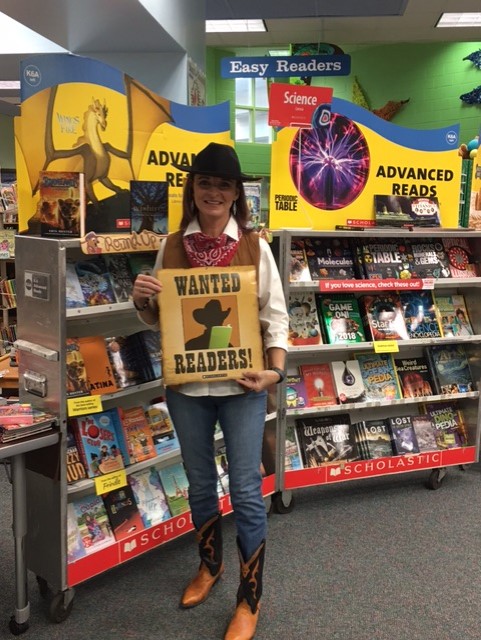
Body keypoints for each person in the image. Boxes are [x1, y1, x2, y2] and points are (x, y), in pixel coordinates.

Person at [132, 142, 289, 640]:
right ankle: (210, 565)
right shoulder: (171, 244)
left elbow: (276, 317)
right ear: (192, 189)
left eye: (224, 184)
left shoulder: (255, 246)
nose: (214, 192)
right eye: (205, 183)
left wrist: (275, 373)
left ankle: (250, 596)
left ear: (236, 192)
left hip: (241, 385)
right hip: (187, 387)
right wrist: (142, 302)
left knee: (244, 489)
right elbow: (161, 317)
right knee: (200, 484)